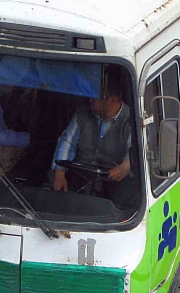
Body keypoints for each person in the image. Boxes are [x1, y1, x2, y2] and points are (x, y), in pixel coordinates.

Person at [52, 70, 134, 206]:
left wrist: (124, 167)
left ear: (114, 100)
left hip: (113, 183)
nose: (90, 99)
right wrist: (59, 173)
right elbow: (67, 142)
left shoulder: (131, 120)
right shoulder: (82, 114)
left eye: (96, 97)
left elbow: (136, 151)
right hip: (79, 177)